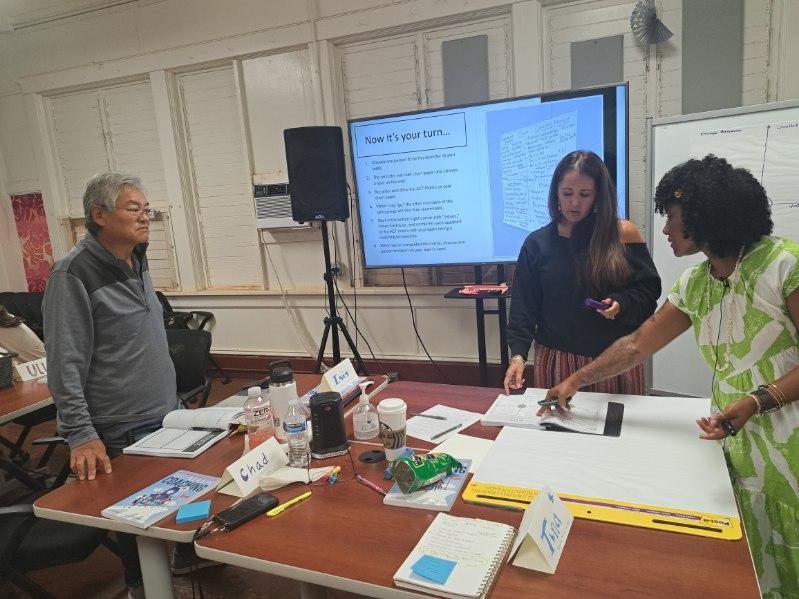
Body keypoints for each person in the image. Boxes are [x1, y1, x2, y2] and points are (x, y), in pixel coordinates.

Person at [546, 155, 798, 597]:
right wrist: (576, 381)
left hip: (789, 455)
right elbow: (636, 345)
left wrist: (758, 400)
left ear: (705, 217)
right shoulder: (697, 282)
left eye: (672, 219)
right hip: (736, 447)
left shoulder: (784, 266)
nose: (664, 231)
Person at [42, 173, 182, 596]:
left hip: (165, 413)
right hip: (120, 426)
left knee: (174, 506)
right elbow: (64, 364)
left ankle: (177, 565)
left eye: (147, 209)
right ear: (99, 215)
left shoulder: (137, 257)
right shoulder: (72, 275)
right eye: (134, 209)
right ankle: (145, 588)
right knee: (136, 524)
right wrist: (81, 435)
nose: (146, 218)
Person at [503, 150, 661, 395]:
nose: (574, 203)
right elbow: (524, 308)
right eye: (567, 194)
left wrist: (622, 303)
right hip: (557, 361)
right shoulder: (537, 243)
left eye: (584, 195)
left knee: (619, 430)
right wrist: (518, 357)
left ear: (598, 195)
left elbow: (647, 291)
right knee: (556, 430)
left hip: (613, 359)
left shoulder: (622, 234)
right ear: (556, 191)